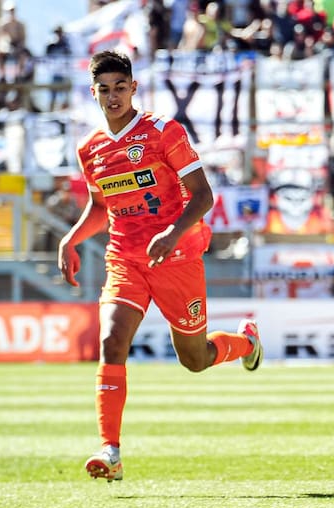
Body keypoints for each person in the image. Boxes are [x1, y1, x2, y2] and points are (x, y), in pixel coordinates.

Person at [58, 50, 264, 483]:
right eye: (104, 90)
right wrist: (71, 238)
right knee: (113, 343)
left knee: (194, 358)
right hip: (124, 260)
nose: (113, 97)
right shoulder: (90, 148)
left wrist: (172, 233)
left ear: (133, 88)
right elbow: (100, 205)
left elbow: (203, 196)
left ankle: (245, 343)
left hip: (178, 258)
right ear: (93, 93)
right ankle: (110, 451)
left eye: (120, 87)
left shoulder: (163, 132)